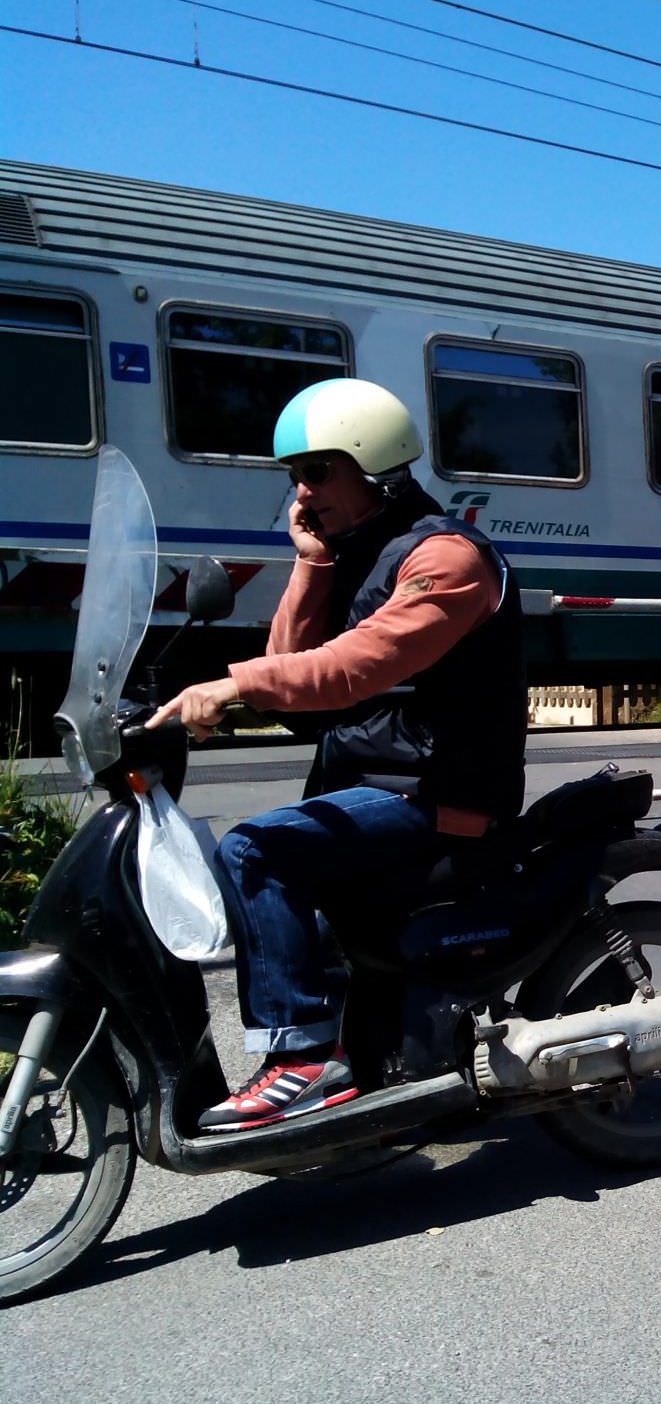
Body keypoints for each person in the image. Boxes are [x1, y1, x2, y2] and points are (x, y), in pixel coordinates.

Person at [148, 378, 527, 1131]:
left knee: (254, 851)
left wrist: (228, 686)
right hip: (388, 783)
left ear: (374, 464)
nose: (301, 491)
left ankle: (301, 1059)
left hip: (441, 792)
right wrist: (312, 564)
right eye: (294, 476)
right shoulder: (362, 555)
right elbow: (290, 670)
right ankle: (357, 1062)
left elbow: (358, 668)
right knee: (281, 866)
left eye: (317, 471)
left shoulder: (446, 559)